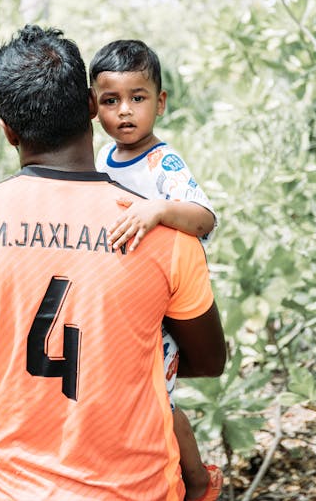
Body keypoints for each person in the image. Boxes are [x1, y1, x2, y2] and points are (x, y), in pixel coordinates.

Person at [0, 25, 226, 501]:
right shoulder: (163, 232)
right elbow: (209, 360)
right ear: (91, 105)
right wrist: (114, 358)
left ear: (7, 129)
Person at [90, 39, 222, 501]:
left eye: (138, 98)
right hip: (123, 299)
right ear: (93, 107)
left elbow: (204, 216)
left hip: (165, 303)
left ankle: (196, 477)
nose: (125, 112)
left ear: (160, 103)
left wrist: (159, 210)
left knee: (159, 403)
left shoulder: (162, 163)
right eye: (111, 101)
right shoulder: (101, 161)